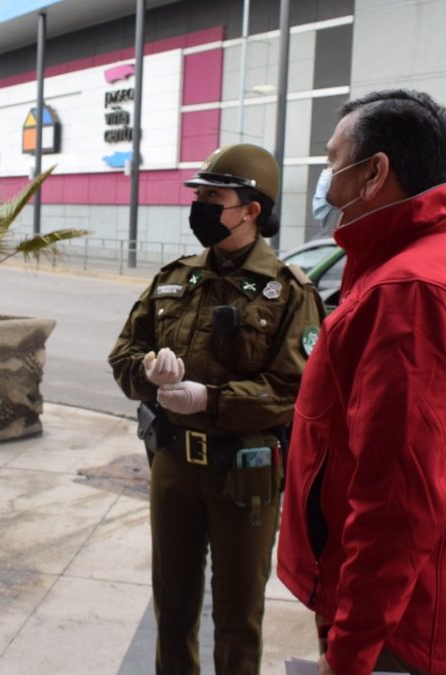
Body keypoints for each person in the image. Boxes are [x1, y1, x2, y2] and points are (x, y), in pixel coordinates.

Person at [276, 89, 446, 675]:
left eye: (333, 162)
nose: (325, 181)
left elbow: (397, 500)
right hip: (432, 588)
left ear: (374, 173)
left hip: (398, 621)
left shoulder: (411, 292)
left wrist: (351, 651)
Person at [109, 143, 325, 675]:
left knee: (237, 617)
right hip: (174, 464)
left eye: (214, 196)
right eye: (199, 195)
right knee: (173, 607)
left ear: (251, 210)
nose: (200, 205)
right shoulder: (176, 278)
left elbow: (294, 390)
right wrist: (147, 374)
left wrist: (213, 399)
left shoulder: (289, 293)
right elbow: (123, 355)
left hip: (245, 471)